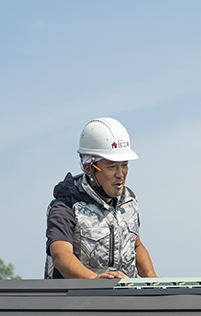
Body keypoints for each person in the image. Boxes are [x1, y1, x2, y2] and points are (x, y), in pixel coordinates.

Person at [44, 117, 157, 279]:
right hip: (76, 300)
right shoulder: (65, 206)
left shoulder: (129, 201)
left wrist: (151, 279)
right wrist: (94, 281)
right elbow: (60, 256)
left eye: (124, 165)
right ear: (89, 168)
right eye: (112, 166)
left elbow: (136, 246)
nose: (120, 174)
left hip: (123, 300)